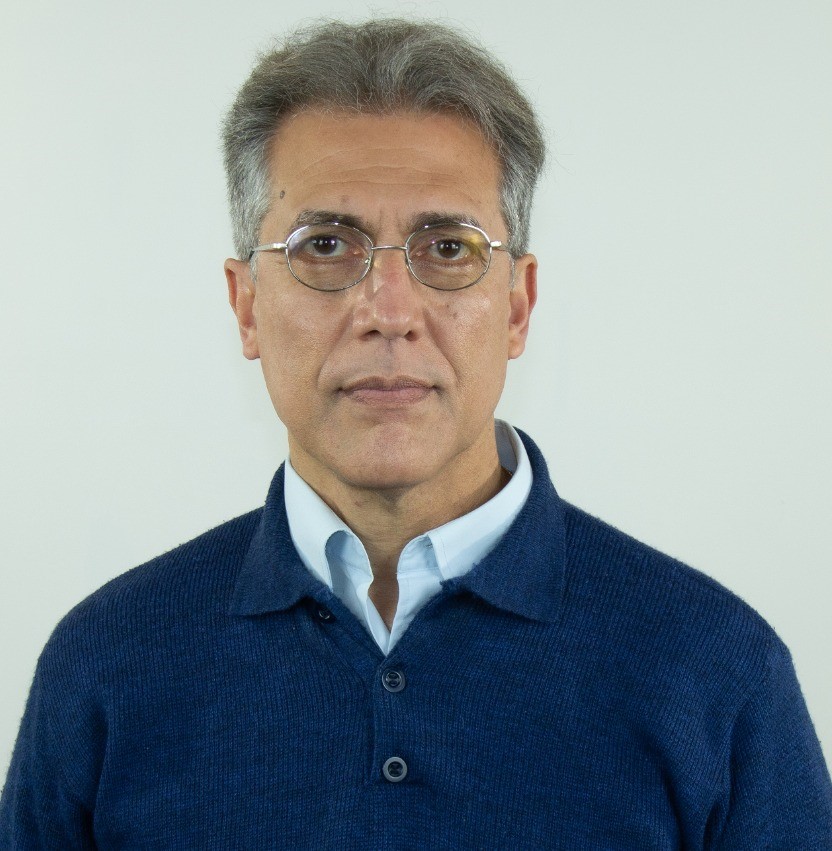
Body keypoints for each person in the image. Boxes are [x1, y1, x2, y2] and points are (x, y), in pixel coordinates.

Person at [1, 18, 830, 849]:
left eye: (447, 248)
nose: (389, 311)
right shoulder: (105, 667)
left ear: (518, 306)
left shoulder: (717, 670)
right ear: (246, 305)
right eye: (326, 245)